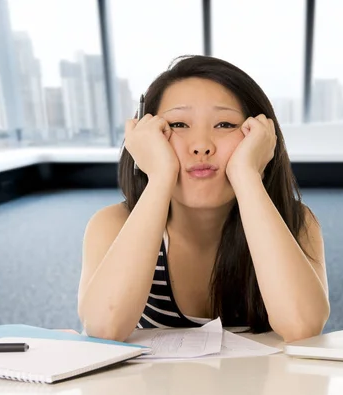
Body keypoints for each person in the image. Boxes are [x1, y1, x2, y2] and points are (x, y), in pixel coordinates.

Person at [77, 55, 329, 342]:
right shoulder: (113, 224)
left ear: (259, 137)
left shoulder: (295, 221)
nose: (201, 146)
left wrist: (247, 176)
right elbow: (103, 329)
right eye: (179, 125)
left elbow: (303, 327)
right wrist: (160, 177)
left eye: (224, 125)